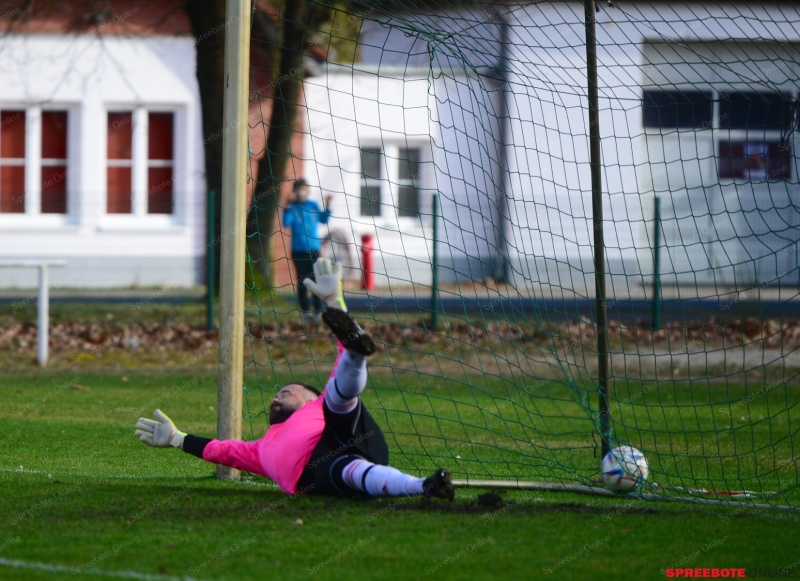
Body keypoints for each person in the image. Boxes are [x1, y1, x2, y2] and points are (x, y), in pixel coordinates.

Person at [134, 258, 455, 502]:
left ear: (307, 398)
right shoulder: (260, 449)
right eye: (278, 395)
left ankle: (358, 353)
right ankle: (422, 486)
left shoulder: (317, 405)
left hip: (345, 430)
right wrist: (177, 438)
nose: (276, 397)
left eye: (287, 392)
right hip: (322, 472)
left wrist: (333, 303)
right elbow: (222, 451)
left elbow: (338, 355)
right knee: (347, 470)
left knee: (339, 398)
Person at [282, 179, 332, 328]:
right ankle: (305, 313)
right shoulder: (292, 207)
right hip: (298, 251)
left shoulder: (313, 205)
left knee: (317, 280)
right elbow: (285, 223)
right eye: (298, 189)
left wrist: (328, 204)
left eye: (304, 189)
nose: (301, 192)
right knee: (302, 282)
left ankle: (318, 312)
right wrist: (287, 204)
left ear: (307, 191)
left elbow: (324, 220)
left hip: (314, 250)